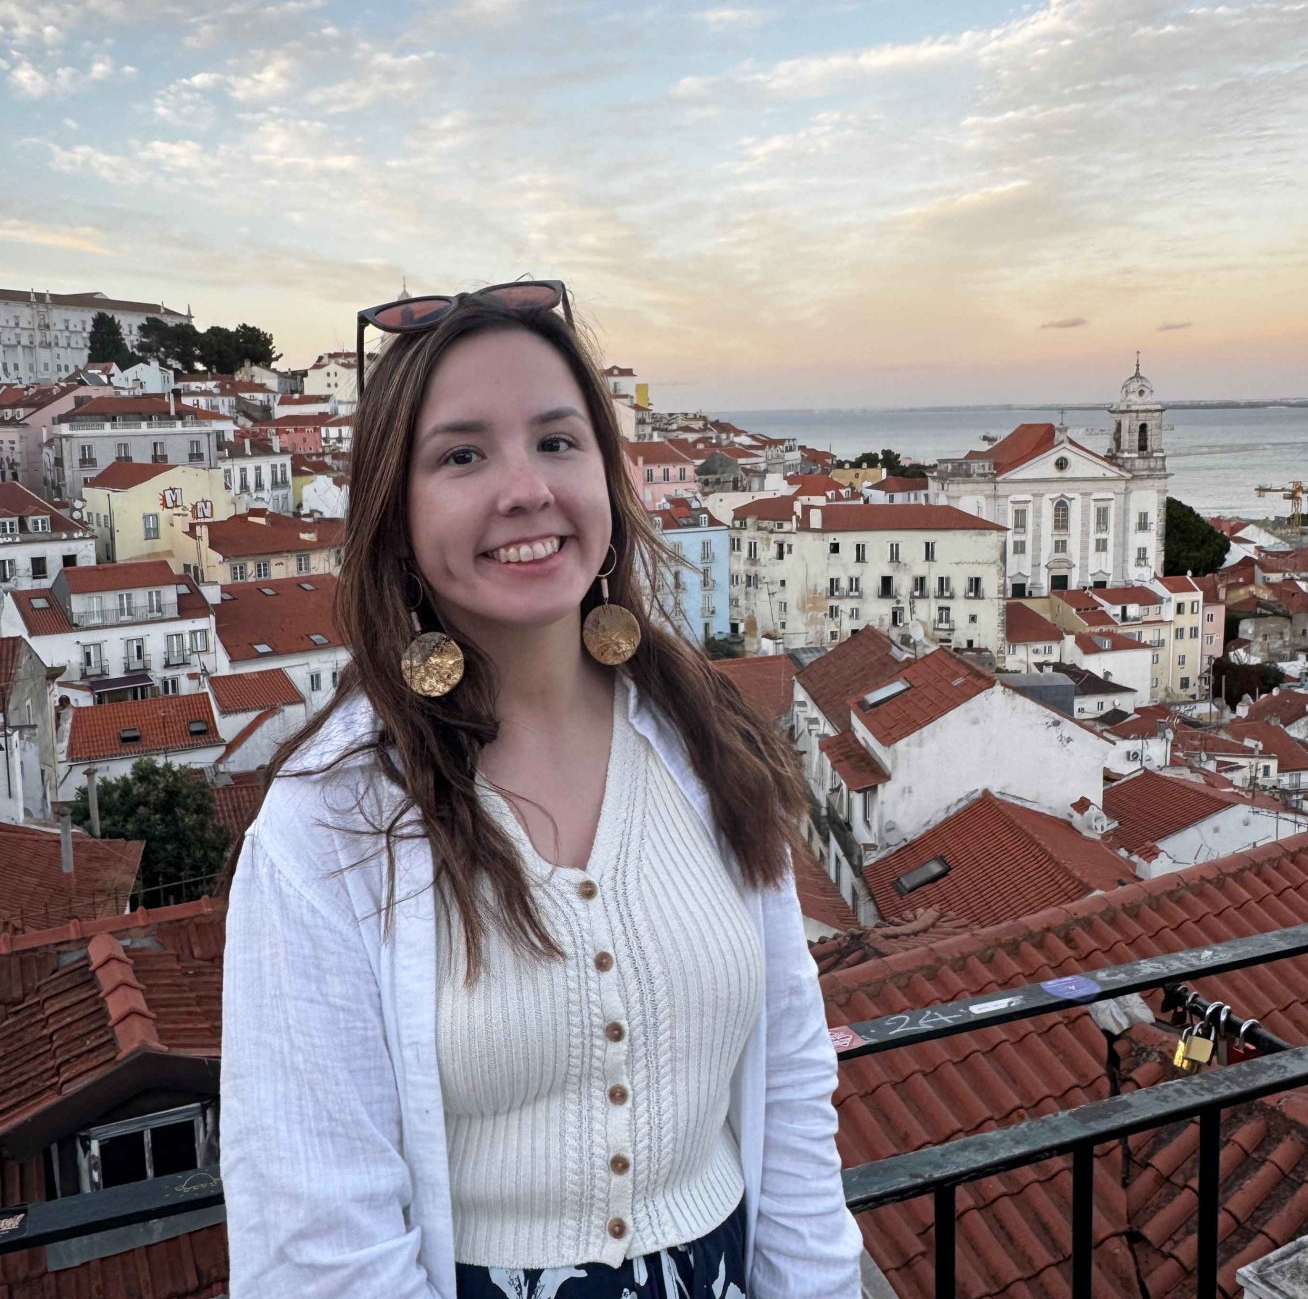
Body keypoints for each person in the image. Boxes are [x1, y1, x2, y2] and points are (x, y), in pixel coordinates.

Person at [221, 283, 864, 1299]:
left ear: (608, 477)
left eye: (559, 442)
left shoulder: (711, 742)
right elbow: (319, 1236)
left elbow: (789, 1073)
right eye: (464, 455)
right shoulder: (330, 822)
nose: (527, 489)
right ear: (394, 516)